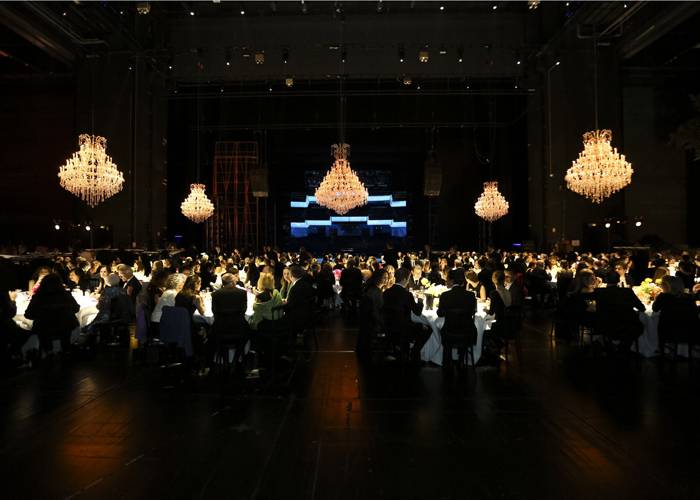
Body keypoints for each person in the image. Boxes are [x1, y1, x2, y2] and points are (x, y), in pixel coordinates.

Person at [382, 267, 430, 362]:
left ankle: (401, 348)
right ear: (404, 279)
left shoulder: (386, 292)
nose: (408, 281)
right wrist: (420, 300)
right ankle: (415, 352)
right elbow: (417, 312)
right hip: (404, 328)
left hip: (388, 325)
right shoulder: (406, 294)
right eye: (408, 279)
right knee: (428, 328)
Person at [24, 273, 79, 354]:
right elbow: (76, 308)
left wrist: (43, 316)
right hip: (65, 328)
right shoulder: (66, 295)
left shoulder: (38, 297)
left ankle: (47, 353)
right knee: (66, 328)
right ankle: (66, 352)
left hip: (44, 329)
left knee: (42, 331)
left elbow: (28, 314)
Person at [594, 273, 646, 349]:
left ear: (606, 280)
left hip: (607, 326)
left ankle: (616, 346)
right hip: (629, 326)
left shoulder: (599, 292)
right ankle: (624, 346)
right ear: (618, 280)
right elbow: (642, 308)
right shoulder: (627, 292)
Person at [437, 273, 477, 366]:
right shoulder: (470, 295)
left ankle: (447, 359)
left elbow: (440, 314)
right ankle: (461, 359)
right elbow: (473, 312)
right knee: (463, 325)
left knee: (444, 329)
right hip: (467, 332)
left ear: (452, 281)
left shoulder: (445, 295)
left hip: (449, 332)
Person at [357, 269, 388, 355]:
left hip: (368, 323)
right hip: (374, 324)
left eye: (387, 278)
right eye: (384, 278)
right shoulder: (376, 292)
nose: (386, 280)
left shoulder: (372, 290)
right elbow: (376, 311)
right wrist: (383, 324)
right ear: (378, 278)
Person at [284, 264, 315, 335]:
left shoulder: (295, 288)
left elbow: (289, 306)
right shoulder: (306, 284)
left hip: (298, 317)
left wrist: (282, 303)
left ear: (291, 276)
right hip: (308, 314)